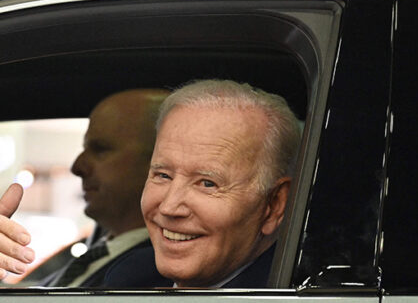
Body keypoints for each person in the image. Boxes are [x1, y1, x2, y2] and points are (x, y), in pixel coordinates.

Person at [0, 89, 172, 288]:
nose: (77, 166)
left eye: (100, 149)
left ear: (158, 164)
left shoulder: (151, 272)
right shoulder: (102, 254)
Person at [104, 79, 301, 288]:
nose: (169, 207)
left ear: (274, 205)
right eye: (163, 175)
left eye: (207, 184)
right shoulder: (130, 278)